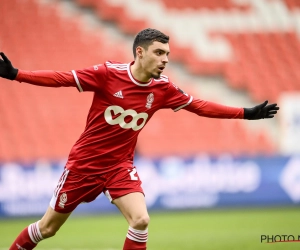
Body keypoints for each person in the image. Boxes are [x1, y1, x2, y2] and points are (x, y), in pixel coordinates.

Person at [0, 28, 279, 250]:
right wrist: (16, 74)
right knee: (47, 229)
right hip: (84, 166)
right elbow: (63, 78)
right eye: (159, 53)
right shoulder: (108, 74)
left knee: (141, 220)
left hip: (119, 166)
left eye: (167, 54)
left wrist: (246, 113)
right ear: (140, 52)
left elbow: (200, 106)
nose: (165, 59)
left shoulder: (163, 88)